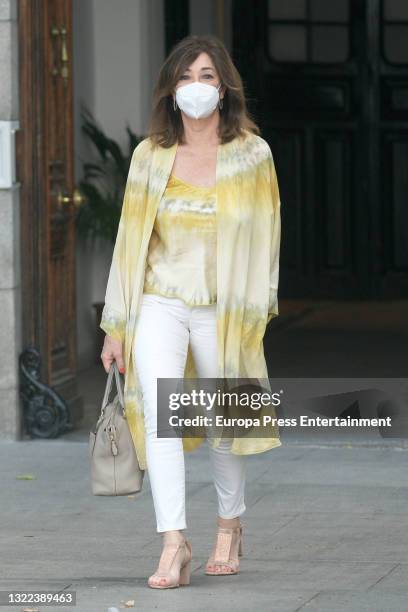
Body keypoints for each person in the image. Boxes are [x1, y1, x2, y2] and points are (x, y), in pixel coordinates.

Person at [100, 33, 282, 589]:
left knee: (226, 421)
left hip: (226, 308)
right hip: (160, 302)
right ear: (170, 90)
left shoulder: (253, 155)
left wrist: (256, 315)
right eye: (185, 77)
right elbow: (129, 242)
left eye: (207, 76)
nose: (196, 87)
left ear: (224, 88)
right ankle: (173, 541)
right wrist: (116, 324)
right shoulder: (150, 156)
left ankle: (229, 526)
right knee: (164, 418)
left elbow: (268, 239)